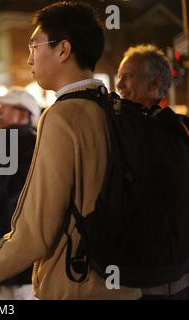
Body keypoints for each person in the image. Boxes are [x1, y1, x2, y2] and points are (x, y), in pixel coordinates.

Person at [0, 1, 142, 299]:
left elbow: (36, 233)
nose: (29, 59)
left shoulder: (62, 117)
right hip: (125, 284)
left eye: (34, 46)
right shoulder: (115, 110)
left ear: (63, 50)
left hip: (77, 286)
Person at [117, 44, 189, 299]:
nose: (119, 85)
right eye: (118, 77)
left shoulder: (169, 131)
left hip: (159, 278)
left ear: (154, 83)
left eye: (128, 76)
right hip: (135, 273)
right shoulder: (127, 125)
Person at [0, 87, 40, 300]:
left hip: (18, 262)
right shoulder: (1, 144)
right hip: (1, 258)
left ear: (24, 114)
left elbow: (5, 191)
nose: (0, 111)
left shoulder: (30, 146)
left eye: (6, 107)